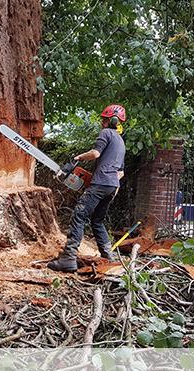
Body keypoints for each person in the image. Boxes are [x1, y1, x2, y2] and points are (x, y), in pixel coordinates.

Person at [48, 104, 127, 272]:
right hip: (113, 186)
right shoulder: (121, 142)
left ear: (109, 121)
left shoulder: (106, 133)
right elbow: (121, 173)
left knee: (79, 214)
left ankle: (68, 258)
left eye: (104, 119)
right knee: (97, 220)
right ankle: (108, 256)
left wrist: (78, 157)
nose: (102, 122)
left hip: (101, 183)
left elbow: (95, 153)